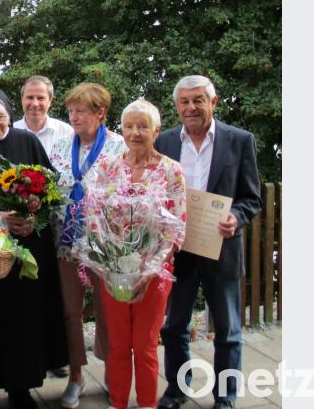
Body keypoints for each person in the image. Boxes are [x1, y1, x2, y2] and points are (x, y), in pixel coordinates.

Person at [156, 75, 261, 409]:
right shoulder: (166, 143)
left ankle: (226, 398)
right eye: (184, 102)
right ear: (177, 106)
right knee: (173, 327)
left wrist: (237, 217)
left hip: (222, 248)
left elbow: (251, 198)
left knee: (228, 331)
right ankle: (176, 389)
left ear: (213, 103)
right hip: (179, 250)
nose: (191, 108)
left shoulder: (239, 140)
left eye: (198, 100)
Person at [0, 88, 69, 409]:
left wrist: (32, 216)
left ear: (10, 115)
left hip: (28, 243)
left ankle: (21, 387)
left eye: (0, 117)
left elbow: (52, 188)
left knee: (24, 319)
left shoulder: (28, 142)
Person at [96, 99, 187, 409]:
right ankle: (118, 402)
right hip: (115, 270)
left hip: (155, 272)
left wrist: (150, 269)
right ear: (121, 130)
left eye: (143, 126)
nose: (135, 133)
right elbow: (95, 217)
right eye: (129, 126)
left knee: (145, 345)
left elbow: (176, 227)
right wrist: (105, 260)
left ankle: (147, 403)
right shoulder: (109, 167)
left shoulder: (170, 170)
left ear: (156, 130)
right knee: (119, 344)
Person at [49, 82, 126, 408]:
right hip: (66, 244)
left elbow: (128, 191)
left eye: (81, 111)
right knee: (70, 312)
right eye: (71, 111)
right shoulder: (60, 146)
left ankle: (111, 372)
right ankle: (76, 376)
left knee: (109, 312)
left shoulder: (118, 147)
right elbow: (51, 190)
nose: (74, 116)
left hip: (104, 246)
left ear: (100, 113)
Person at [13, 75, 74, 156]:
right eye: (30, 97)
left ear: (50, 100)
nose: (35, 104)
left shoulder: (66, 132)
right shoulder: (11, 132)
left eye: (40, 98)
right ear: (22, 99)